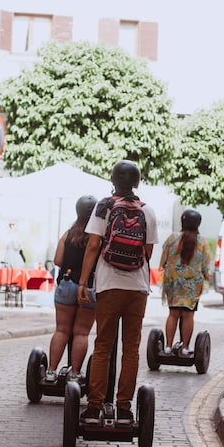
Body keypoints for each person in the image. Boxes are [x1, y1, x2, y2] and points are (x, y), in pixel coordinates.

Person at [77, 160, 158, 426]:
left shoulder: (104, 207)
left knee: (103, 346)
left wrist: (82, 282)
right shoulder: (148, 212)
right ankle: (124, 408)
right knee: (131, 350)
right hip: (137, 288)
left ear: (113, 181)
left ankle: (94, 406)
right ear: (136, 182)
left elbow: (92, 247)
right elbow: (147, 253)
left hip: (109, 284)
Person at [45, 195, 99, 383]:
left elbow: (58, 260)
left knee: (61, 330)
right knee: (81, 333)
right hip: (90, 287)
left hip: (66, 284)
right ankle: (75, 373)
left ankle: (51, 371)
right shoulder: (98, 238)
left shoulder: (68, 234)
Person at [158, 209, 210, 357]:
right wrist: (205, 276)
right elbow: (206, 267)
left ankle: (167, 347)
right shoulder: (202, 242)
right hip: (193, 285)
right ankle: (185, 348)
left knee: (173, 314)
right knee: (188, 315)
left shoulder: (172, 238)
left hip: (173, 282)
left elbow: (163, 262)